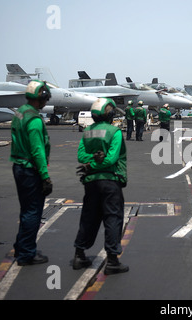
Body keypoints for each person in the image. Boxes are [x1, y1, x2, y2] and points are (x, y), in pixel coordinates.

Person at [73, 98, 129, 275]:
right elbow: (111, 159)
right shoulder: (115, 132)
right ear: (110, 114)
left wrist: (89, 166)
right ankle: (112, 261)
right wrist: (96, 164)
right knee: (112, 218)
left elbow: (81, 156)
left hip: (90, 183)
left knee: (88, 217)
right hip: (110, 181)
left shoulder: (87, 131)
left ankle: (79, 255)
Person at [10, 80, 52, 266]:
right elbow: (38, 151)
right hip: (30, 170)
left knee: (26, 210)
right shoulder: (34, 120)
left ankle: (21, 246)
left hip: (18, 166)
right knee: (33, 212)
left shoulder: (19, 113)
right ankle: (26, 254)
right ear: (40, 98)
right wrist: (45, 176)